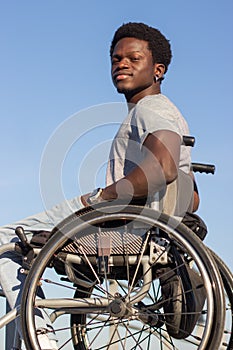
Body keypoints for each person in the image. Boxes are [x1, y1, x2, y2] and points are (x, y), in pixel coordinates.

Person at [0, 22, 198, 349]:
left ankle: (42, 342)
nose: (121, 64)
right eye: (116, 58)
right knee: (12, 252)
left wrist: (103, 198)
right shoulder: (165, 114)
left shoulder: (152, 108)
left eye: (134, 58)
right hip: (143, 225)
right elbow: (192, 199)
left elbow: (163, 168)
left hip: (119, 222)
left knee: (6, 241)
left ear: (158, 70)